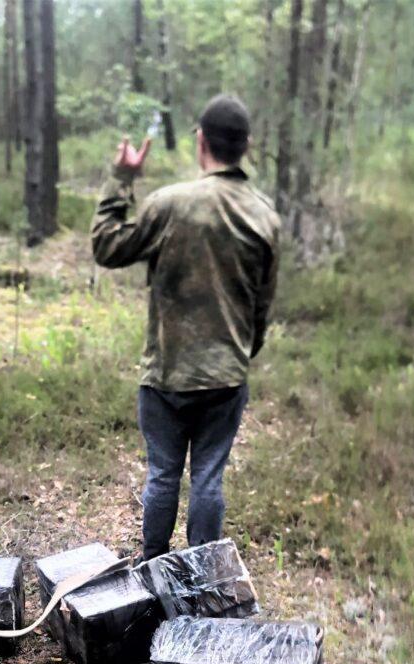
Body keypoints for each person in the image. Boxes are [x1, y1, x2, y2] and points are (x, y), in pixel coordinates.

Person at [91, 94, 281, 561]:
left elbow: (107, 247)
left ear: (201, 142)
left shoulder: (169, 204)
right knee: (208, 479)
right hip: (225, 377)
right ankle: (202, 578)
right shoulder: (264, 216)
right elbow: (261, 307)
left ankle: (153, 566)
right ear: (246, 146)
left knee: (162, 475)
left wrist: (122, 178)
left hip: (166, 375)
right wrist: (239, 354)